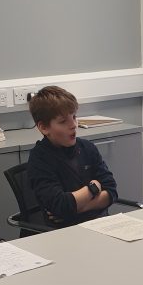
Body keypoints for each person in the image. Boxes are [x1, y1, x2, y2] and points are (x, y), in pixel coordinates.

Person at [27, 85, 118, 227]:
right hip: (64, 232)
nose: (73, 125)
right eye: (63, 121)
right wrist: (93, 187)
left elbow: (111, 192)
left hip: (99, 224)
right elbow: (60, 205)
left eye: (74, 117)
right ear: (44, 127)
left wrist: (78, 208)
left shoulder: (87, 148)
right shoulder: (39, 158)